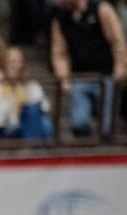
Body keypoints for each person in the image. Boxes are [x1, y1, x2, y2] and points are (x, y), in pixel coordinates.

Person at [50, 0, 126, 138]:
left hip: (106, 77)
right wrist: (64, 78)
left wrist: (120, 69)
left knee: (107, 129)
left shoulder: (101, 9)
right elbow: (60, 53)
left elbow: (118, 42)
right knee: (78, 125)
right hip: (80, 77)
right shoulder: (60, 18)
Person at [0, 45, 52, 139]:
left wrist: (24, 102)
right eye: (10, 62)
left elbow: (45, 107)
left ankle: (31, 148)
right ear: (4, 65)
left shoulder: (32, 85)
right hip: (5, 130)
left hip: (27, 126)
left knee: (42, 120)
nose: (14, 66)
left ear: (24, 65)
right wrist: (12, 97)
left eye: (18, 62)